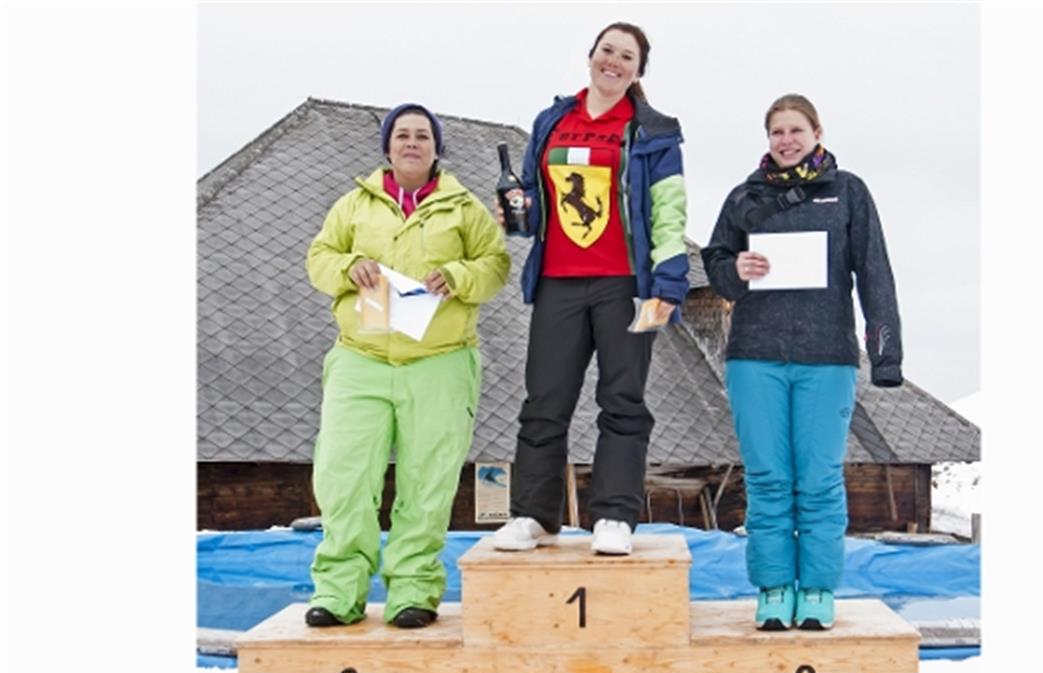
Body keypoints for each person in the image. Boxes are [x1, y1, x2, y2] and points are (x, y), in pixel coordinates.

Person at [304, 103, 510, 628]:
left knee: (428, 480)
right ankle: (338, 591)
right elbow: (319, 259)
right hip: (361, 357)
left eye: (422, 135)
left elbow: (496, 265)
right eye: (402, 135)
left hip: (440, 361)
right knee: (344, 476)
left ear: (437, 147)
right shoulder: (354, 205)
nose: (412, 143)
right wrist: (350, 266)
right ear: (387, 147)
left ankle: (413, 591)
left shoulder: (464, 209)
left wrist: (459, 276)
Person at [702, 94, 903, 631]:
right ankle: (773, 589)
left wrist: (886, 356)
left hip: (826, 357)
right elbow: (715, 263)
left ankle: (816, 589)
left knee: (817, 479)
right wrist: (735, 268)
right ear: (767, 139)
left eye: (795, 130)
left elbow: (875, 272)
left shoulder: (848, 192)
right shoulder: (744, 196)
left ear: (817, 132)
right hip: (754, 357)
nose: (786, 141)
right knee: (768, 478)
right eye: (777, 132)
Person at [490, 21, 689, 556]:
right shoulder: (553, 120)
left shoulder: (654, 131)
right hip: (558, 280)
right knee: (544, 398)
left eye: (627, 57)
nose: (614, 62)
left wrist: (670, 282)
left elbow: (669, 213)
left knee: (623, 399)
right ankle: (534, 515)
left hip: (626, 284)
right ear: (590, 56)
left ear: (638, 71)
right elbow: (535, 204)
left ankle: (614, 516)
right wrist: (519, 213)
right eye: (607, 50)